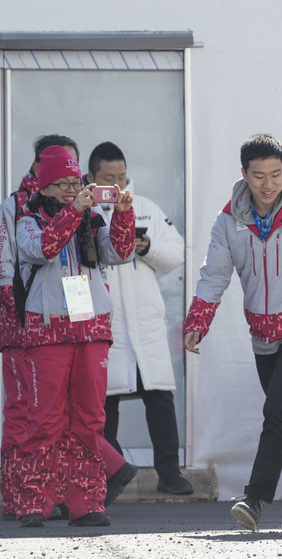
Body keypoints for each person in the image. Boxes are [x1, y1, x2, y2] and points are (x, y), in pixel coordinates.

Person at [0, 135, 135, 519]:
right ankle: (34, 502)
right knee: (43, 422)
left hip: (91, 327)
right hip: (45, 330)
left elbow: (119, 252)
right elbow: (44, 248)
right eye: (63, 185)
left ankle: (87, 502)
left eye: (75, 183)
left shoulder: (92, 216)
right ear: (43, 184)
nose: (71, 191)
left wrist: (124, 215)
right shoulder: (27, 217)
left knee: (89, 422)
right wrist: (74, 211)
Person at [183, 134, 282, 532]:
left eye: (276, 174)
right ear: (244, 174)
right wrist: (198, 322)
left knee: (277, 411)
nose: (268, 184)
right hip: (262, 333)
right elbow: (214, 275)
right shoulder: (229, 220)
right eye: (259, 175)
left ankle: (255, 497)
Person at [86, 142, 192, 496]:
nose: (116, 185)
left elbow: (176, 252)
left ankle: (169, 473)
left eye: (121, 177)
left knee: (160, 397)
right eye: (107, 179)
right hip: (107, 322)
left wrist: (147, 248)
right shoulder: (85, 213)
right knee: (106, 403)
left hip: (144, 323)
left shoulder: (145, 208)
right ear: (92, 177)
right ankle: (108, 477)